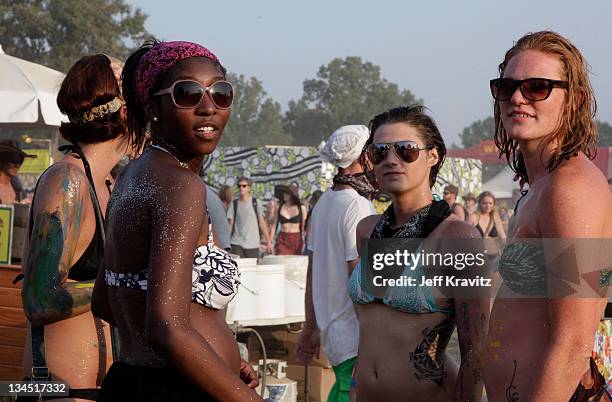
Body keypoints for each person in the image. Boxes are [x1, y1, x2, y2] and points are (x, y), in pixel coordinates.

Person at [91, 40, 260, 401]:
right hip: (174, 387)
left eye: (221, 93)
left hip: (131, 381)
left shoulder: (132, 176)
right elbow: (167, 327)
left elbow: (105, 301)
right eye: (187, 94)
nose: (207, 107)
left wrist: (218, 358)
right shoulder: (180, 186)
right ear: (153, 107)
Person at [484, 31, 612, 401]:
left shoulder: (569, 189)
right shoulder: (541, 185)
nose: (518, 98)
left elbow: (574, 345)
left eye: (538, 87)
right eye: (507, 86)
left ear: (575, 101)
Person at [349, 106, 489, 402]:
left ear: (433, 155)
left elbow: (476, 353)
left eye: (406, 150)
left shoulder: (456, 238)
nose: (391, 160)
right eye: (379, 152)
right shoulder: (366, 231)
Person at [19, 54, 129, 401]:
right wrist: (124, 283)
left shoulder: (110, 183)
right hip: (56, 391)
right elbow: (40, 298)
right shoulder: (67, 181)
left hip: (98, 389)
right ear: (126, 113)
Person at [296, 124, 376, 402]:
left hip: (333, 331)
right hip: (353, 333)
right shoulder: (357, 206)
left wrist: (310, 328)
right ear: (361, 158)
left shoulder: (324, 203)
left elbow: (311, 271)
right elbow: (358, 277)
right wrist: (375, 334)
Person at [227, 176, 272, 258]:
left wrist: (268, 241)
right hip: (236, 243)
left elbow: (262, 223)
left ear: (249, 188)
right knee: (238, 269)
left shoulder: (256, 202)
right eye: (239, 186)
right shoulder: (234, 204)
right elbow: (230, 224)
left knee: (252, 269)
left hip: (253, 244)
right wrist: (226, 243)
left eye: (244, 186)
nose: (241, 188)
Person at [269, 184, 307, 255]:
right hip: (282, 238)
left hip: (296, 239)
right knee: (281, 260)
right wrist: (269, 241)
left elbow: (304, 226)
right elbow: (274, 225)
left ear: (292, 195)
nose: (284, 195)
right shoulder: (279, 207)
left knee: (295, 263)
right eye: (283, 193)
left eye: (287, 193)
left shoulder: (301, 208)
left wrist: (305, 240)